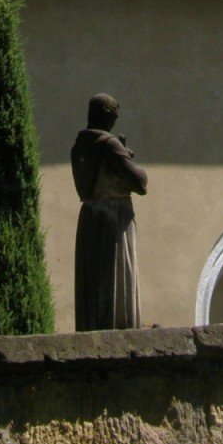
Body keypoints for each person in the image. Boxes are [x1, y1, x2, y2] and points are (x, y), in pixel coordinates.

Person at [71, 93, 148, 330]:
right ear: (107, 117)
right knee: (115, 284)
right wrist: (127, 157)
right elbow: (140, 182)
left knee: (93, 284)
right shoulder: (108, 144)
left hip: (90, 219)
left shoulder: (78, 148)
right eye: (113, 119)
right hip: (113, 219)